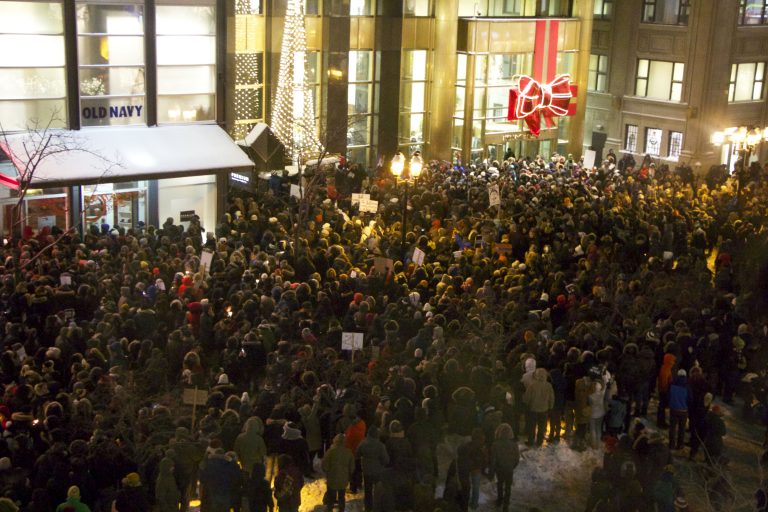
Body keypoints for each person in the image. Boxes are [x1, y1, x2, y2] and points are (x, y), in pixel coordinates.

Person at [356, 426, 389, 512]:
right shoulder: (380, 445)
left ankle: (368, 508)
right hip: (378, 471)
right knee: (379, 490)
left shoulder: (363, 443)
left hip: (367, 471)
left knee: (368, 491)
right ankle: (378, 507)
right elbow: (386, 460)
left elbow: (357, 454)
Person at [321, 433, 355, 512]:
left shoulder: (330, 451)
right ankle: (341, 509)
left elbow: (324, 464)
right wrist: (349, 474)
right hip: (343, 478)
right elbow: (352, 467)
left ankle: (329, 508)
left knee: (331, 496)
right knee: (341, 496)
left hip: (332, 478)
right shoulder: (348, 452)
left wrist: (327, 471)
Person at [490, 423, 519, 512]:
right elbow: (516, 458)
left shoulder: (495, 444)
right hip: (509, 468)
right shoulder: (514, 445)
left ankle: (499, 499)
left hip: (500, 468)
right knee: (508, 487)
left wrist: (493, 469)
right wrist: (512, 466)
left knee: (500, 484)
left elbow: (493, 459)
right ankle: (506, 505)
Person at [524, 368, 554, 447]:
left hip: (533, 408)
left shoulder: (532, 385)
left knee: (532, 426)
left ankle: (531, 441)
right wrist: (550, 406)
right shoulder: (548, 385)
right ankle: (539, 441)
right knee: (542, 426)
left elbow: (527, 397)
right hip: (544, 409)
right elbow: (551, 397)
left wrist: (527, 404)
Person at [668, 369, 689, 451]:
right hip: (683, 410)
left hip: (673, 409)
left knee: (672, 428)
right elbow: (690, 399)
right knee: (682, 428)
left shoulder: (672, 385)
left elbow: (668, 395)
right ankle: (680, 445)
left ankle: (671, 445)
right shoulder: (687, 386)